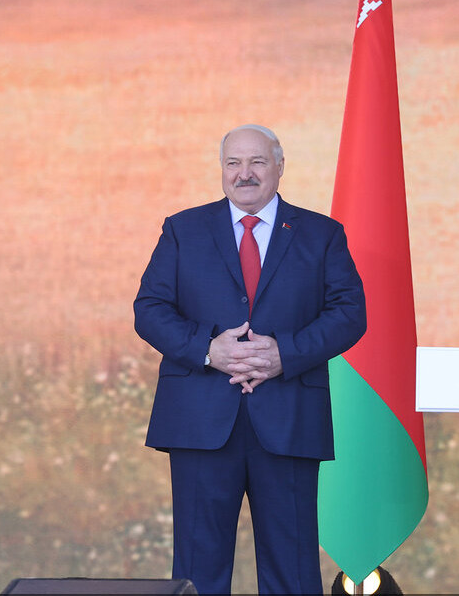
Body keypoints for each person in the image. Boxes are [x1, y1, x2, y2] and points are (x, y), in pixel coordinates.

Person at [134, 124, 367, 594]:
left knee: (292, 572)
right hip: (200, 422)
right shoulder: (182, 229)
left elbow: (349, 314)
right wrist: (208, 349)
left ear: (279, 167)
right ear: (222, 169)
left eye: (257, 162)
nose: (245, 174)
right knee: (198, 571)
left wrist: (285, 353)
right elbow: (150, 310)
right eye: (233, 163)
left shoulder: (321, 234)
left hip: (289, 418)